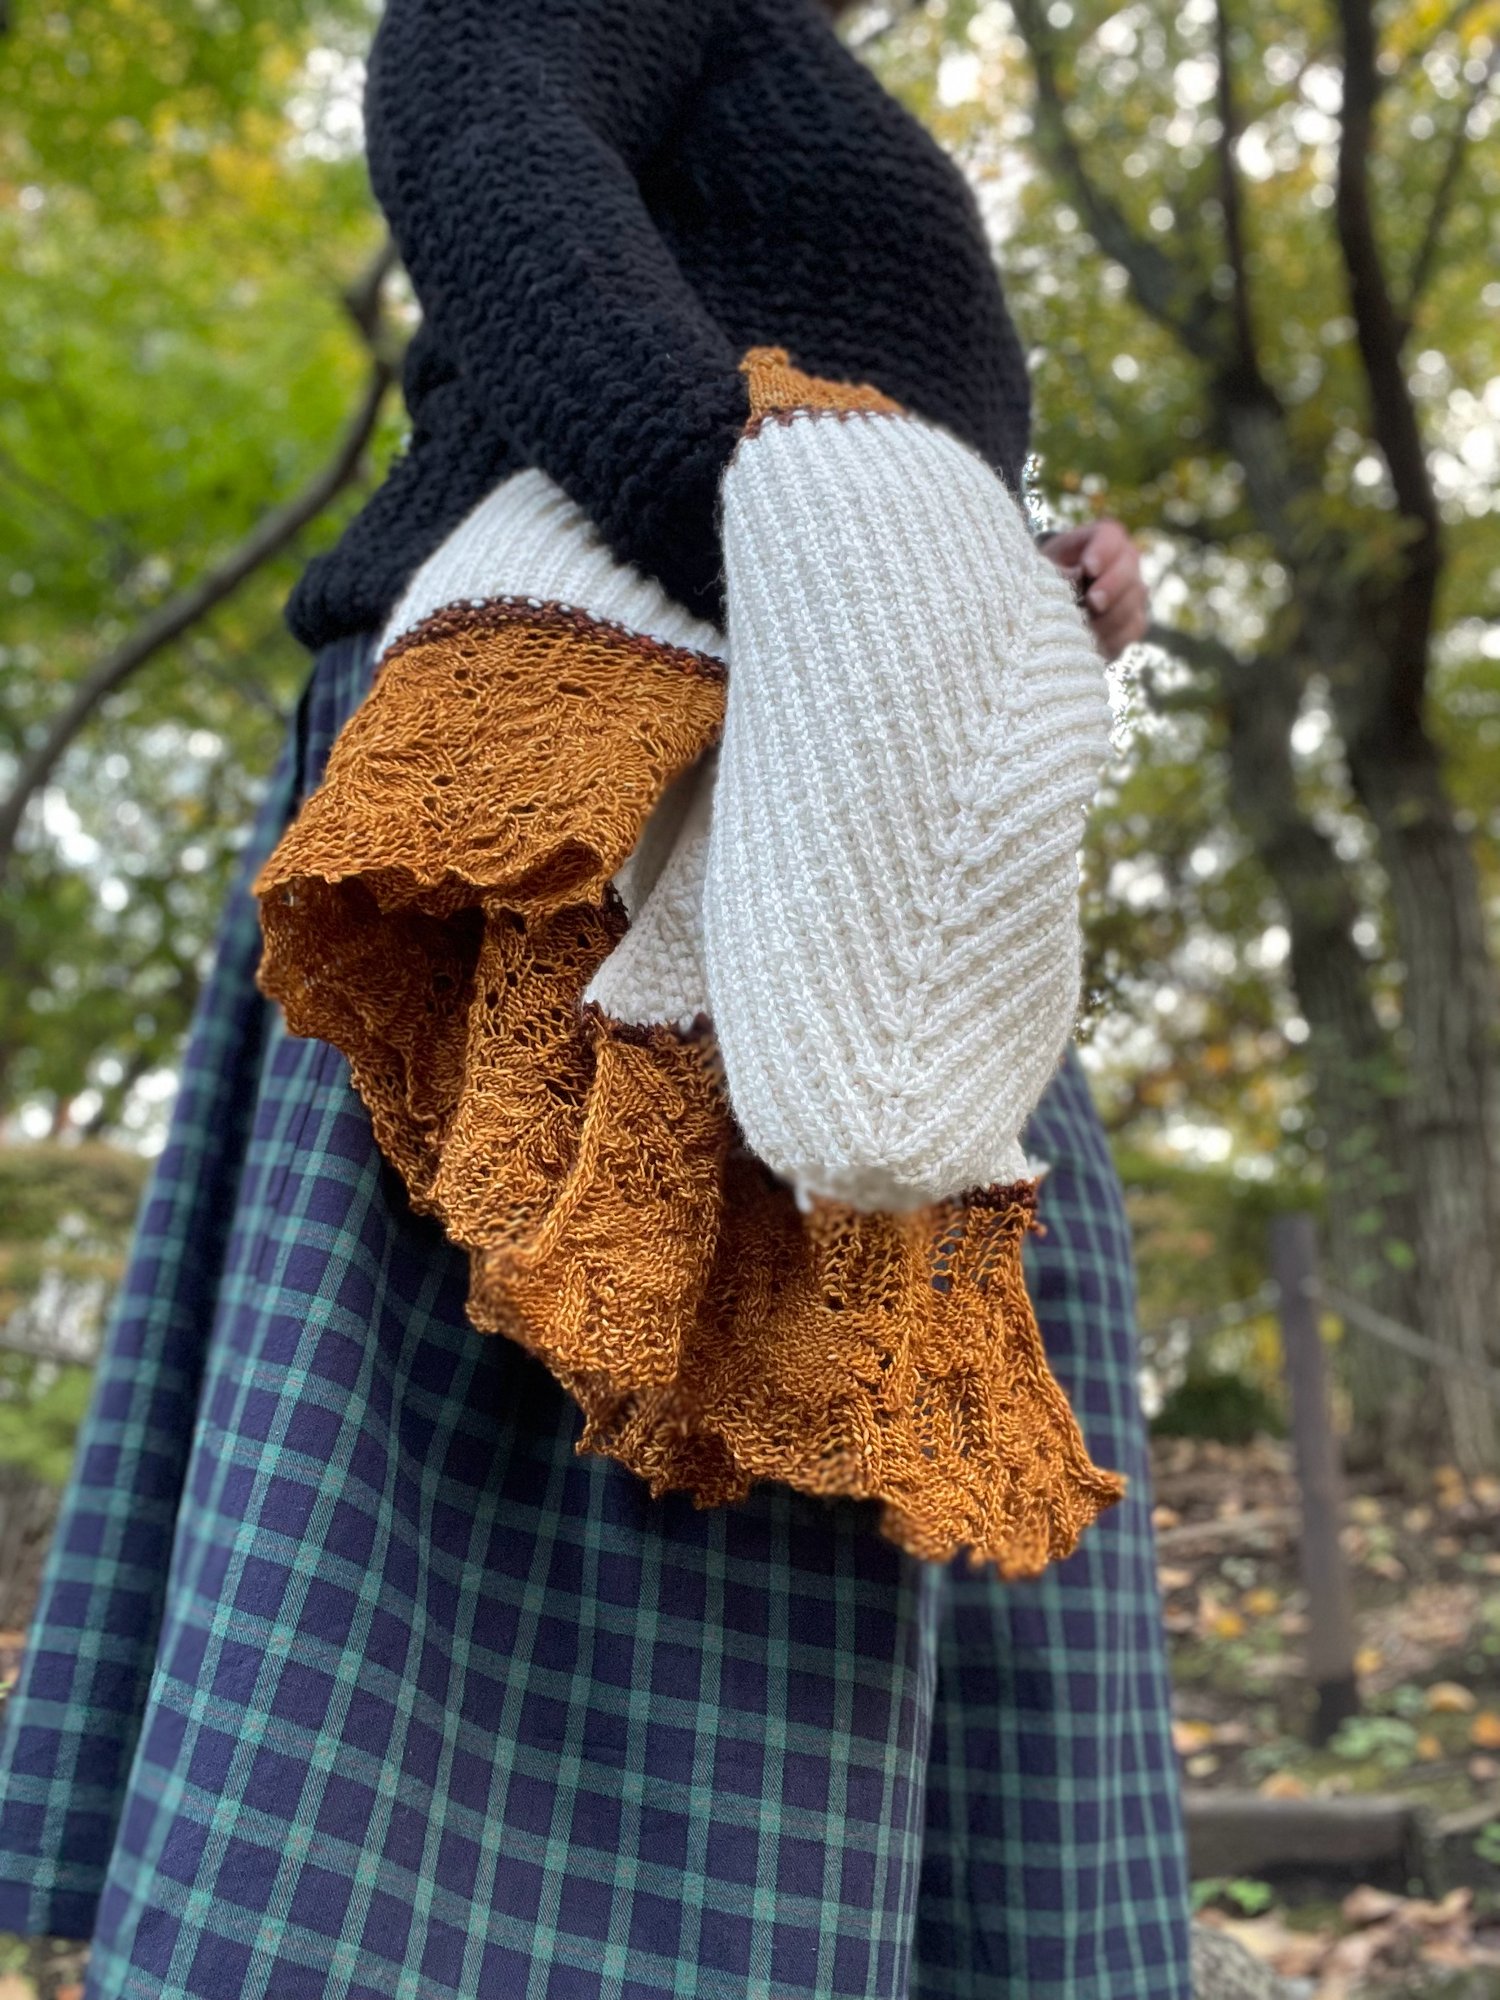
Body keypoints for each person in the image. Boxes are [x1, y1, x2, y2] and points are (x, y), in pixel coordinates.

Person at [0, 1, 1188, 1995]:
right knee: (540, 1453)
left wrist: (1010, 574)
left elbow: (835, 420)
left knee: (873, 1326)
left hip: (847, 795)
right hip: (599, 771)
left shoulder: (791, 51)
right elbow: (477, 128)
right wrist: (768, 525)